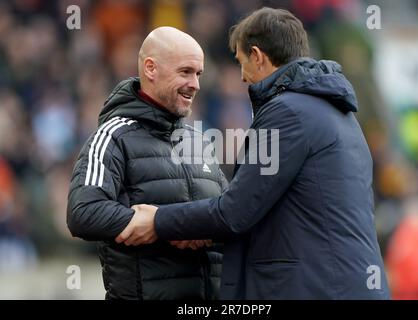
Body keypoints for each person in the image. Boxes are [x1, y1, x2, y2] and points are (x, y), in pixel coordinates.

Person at [116, 8, 391, 299]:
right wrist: (202, 231)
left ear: (258, 56)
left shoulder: (287, 113)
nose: (243, 77)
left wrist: (158, 221)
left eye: (241, 62)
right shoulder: (338, 114)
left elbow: (236, 211)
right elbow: (281, 217)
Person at [66, 26, 228, 300]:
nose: (196, 84)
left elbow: (230, 214)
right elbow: (83, 211)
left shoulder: (199, 141)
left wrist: (172, 224)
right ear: (151, 69)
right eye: (185, 72)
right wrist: (156, 225)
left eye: (198, 74)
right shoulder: (113, 136)